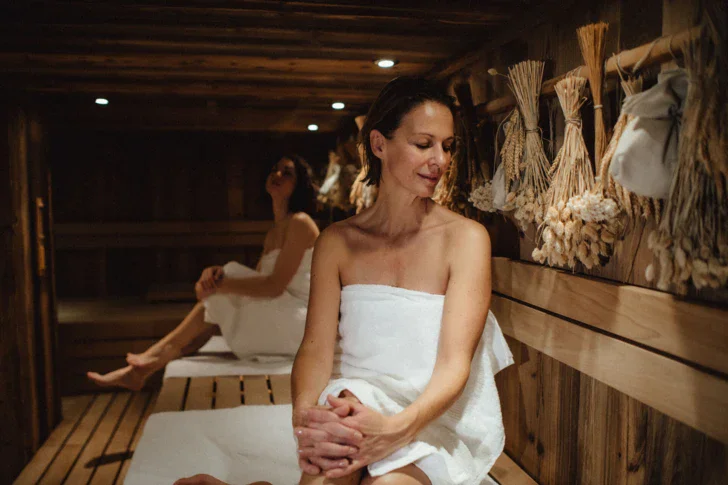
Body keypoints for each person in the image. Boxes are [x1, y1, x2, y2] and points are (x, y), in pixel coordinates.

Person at [175, 76, 513, 485]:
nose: (439, 160)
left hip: (430, 416)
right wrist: (306, 419)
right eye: (424, 144)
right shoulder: (337, 242)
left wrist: (394, 429)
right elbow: (315, 348)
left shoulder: (466, 240)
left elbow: (454, 364)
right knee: (328, 476)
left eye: (447, 146)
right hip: (354, 400)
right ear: (378, 144)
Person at [87, 155, 320, 391]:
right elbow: (256, 284)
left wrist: (220, 285)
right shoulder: (274, 232)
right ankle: (144, 367)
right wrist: (215, 279)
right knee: (224, 280)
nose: (277, 174)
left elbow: (274, 286)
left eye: (287, 172)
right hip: (280, 313)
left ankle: (147, 363)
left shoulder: (301, 223)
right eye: (275, 169)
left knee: (228, 276)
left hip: (298, 323)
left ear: (299, 184)